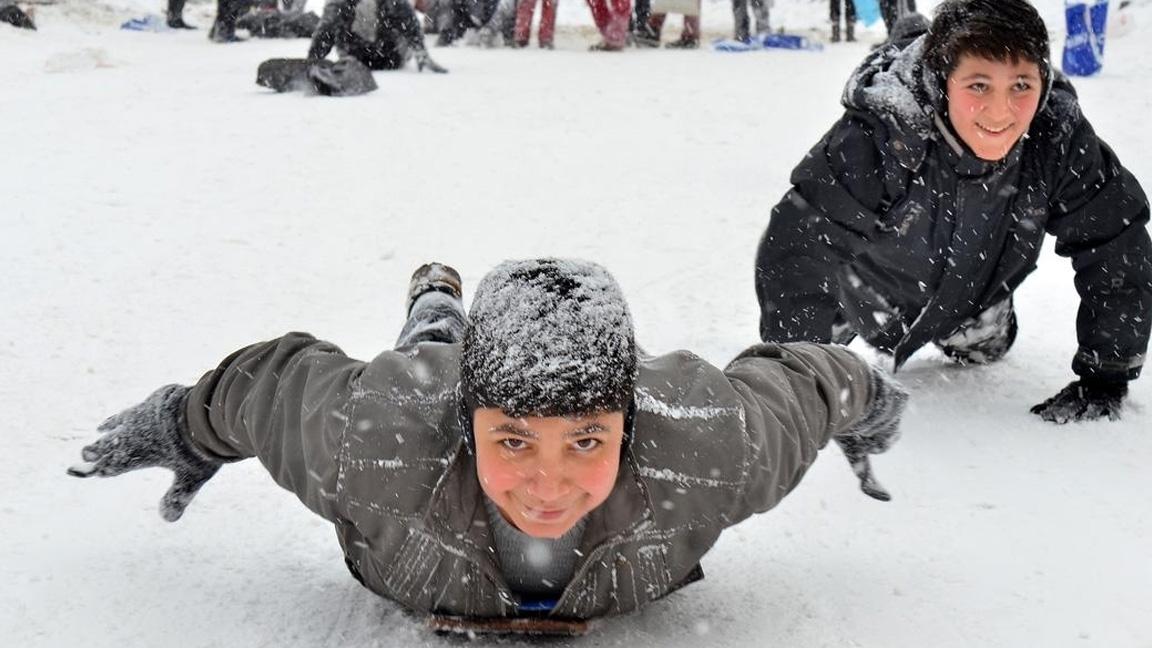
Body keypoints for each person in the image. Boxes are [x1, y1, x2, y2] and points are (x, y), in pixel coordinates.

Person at [68, 258, 906, 624]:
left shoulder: (710, 446)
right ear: (468, 428)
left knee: (432, 364)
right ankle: (439, 309)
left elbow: (808, 385)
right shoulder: (374, 437)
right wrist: (185, 427)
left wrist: (875, 407)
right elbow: (268, 386)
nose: (548, 484)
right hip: (432, 386)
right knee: (425, 351)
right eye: (512, 441)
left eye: (587, 440)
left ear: (631, 420)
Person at [754, 0, 1152, 424]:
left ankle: (974, 326)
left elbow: (1114, 237)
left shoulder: (1056, 135)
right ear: (945, 80)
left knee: (987, 349)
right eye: (979, 85)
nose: (1001, 111)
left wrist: (1107, 371)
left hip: (976, 298)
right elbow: (800, 242)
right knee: (823, 343)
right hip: (863, 293)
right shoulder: (881, 135)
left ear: (1042, 78)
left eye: (1021, 85)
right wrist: (797, 375)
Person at [307, 0, 447, 72]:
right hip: (371, 57)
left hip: (372, 57)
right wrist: (313, 60)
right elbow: (327, 27)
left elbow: (408, 20)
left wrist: (313, 58)